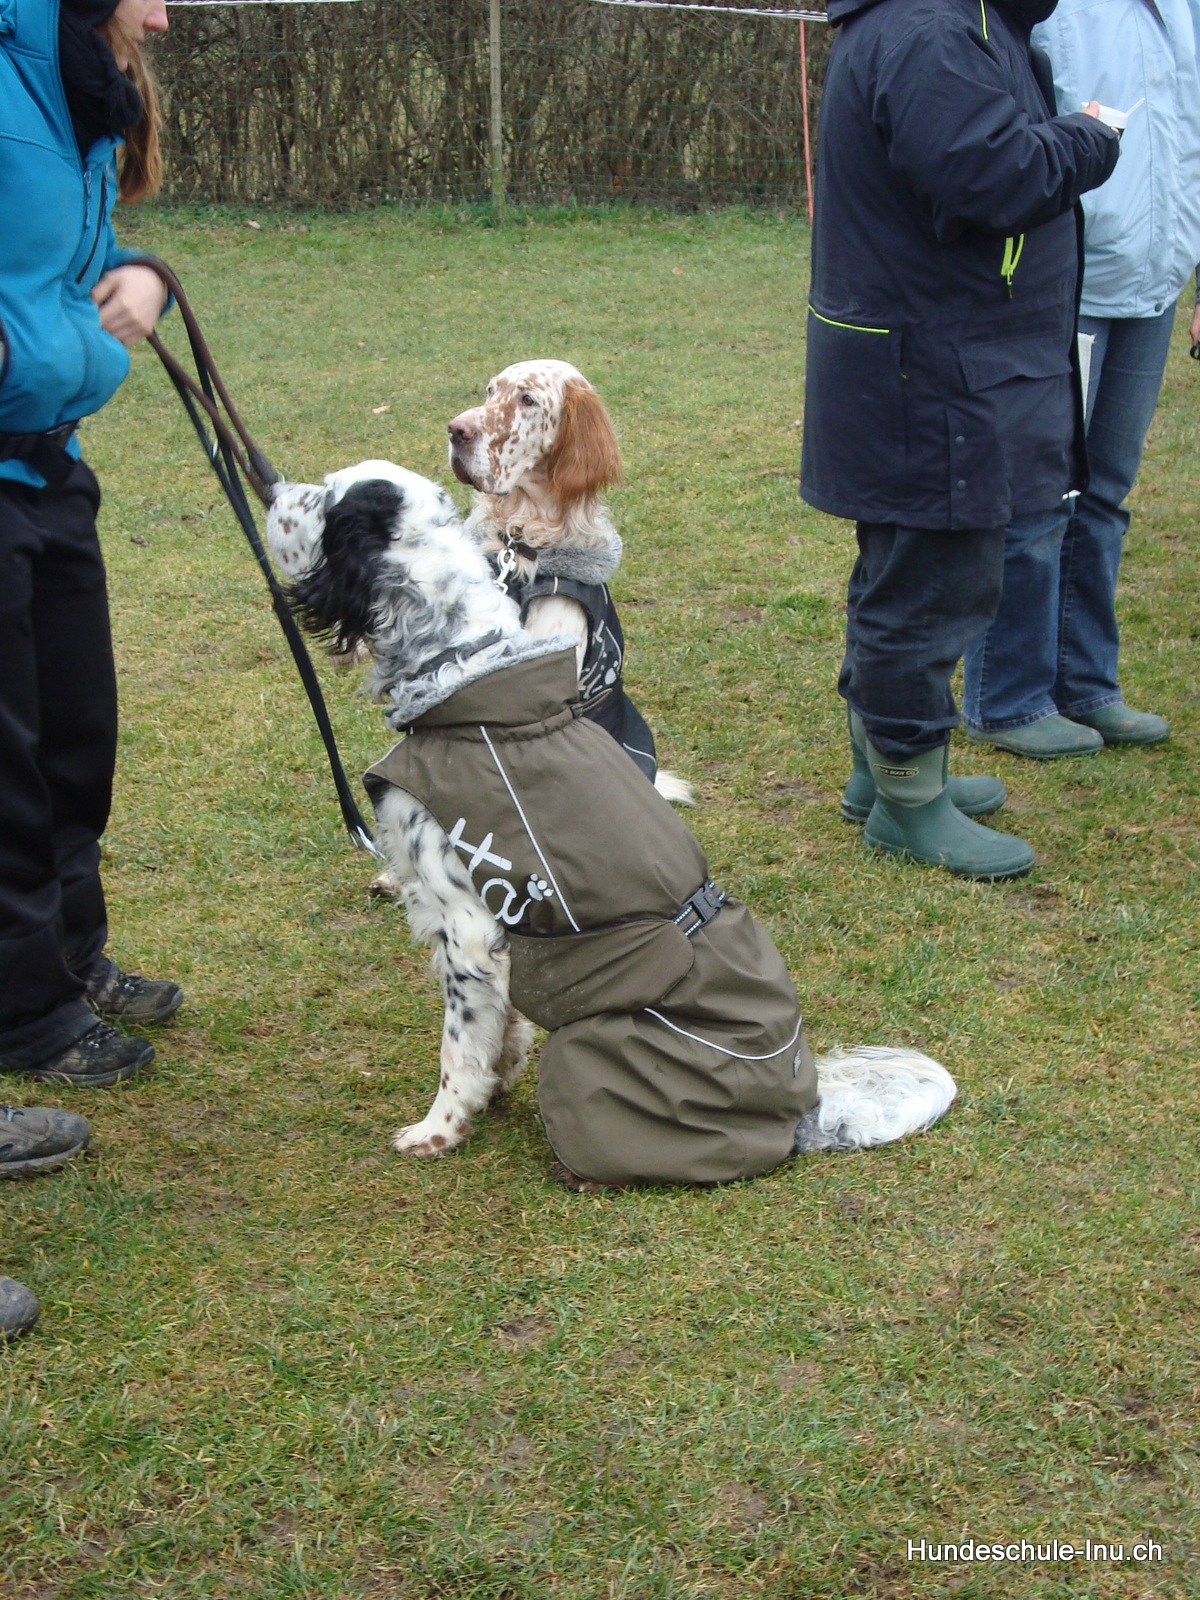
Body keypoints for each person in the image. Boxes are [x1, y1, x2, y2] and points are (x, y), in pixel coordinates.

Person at [801, 0, 1120, 879]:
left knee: (905, 572)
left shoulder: (941, 21)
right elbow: (990, 178)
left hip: (927, 352)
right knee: (934, 583)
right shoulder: (931, 30)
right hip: (932, 362)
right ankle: (908, 798)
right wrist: (1090, 138)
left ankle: (881, 773)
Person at [0, 0, 179, 1096]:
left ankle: (69, 958)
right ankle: (25, 1010)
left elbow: (62, 255)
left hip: (50, 464)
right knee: (7, 763)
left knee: (76, 735)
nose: (161, 16)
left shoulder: (76, 84)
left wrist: (142, 271)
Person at [962, 0, 1200, 757]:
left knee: (1106, 494)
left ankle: (1088, 684)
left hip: (1155, 284)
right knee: (1038, 496)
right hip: (1060, 285)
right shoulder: (1046, 8)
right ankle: (1008, 698)